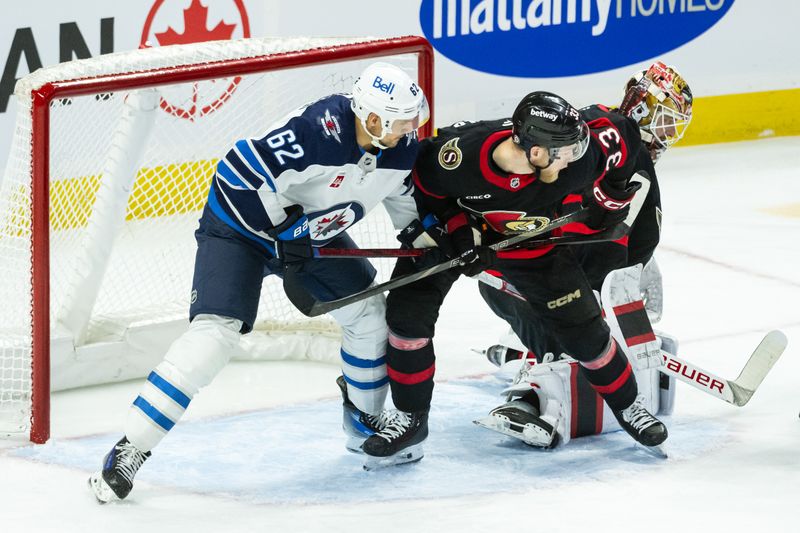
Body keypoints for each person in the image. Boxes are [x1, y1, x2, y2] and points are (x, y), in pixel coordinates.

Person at [89, 61, 433, 502]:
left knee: (369, 317)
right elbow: (234, 174)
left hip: (311, 238)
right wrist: (285, 229)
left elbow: (407, 209)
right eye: (402, 119)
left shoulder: (400, 150)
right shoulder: (317, 131)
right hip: (240, 233)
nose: (411, 127)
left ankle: (364, 422)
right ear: (372, 118)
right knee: (214, 335)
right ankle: (130, 448)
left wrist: (433, 240)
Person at [362, 83, 675, 468]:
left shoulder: (579, 152)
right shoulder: (460, 157)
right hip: (459, 238)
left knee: (585, 331)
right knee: (407, 314)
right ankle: (410, 420)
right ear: (536, 151)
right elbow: (425, 190)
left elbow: (625, 137)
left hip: (533, 249)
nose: (572, 162)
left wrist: (610, 200)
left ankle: (631, 409)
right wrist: (459, 233)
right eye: (563, 155)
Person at [480, 61, 692, 361]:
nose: (668, 134)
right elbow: (620, 240)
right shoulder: (632, 156)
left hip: (503, 274)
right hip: (543, 281)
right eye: (666, 121)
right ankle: (536, 379)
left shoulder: (581, 128)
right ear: (643, 109)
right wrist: (609, 300)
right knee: (576, 351)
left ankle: (530, 346)